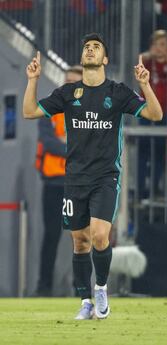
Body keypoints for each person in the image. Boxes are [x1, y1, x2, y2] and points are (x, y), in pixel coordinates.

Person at [23, 33, 163, 319]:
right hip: (75, 179)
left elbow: (155, 114)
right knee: (80, 242)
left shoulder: (118, 91)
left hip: (106, 177)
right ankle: (85, 301)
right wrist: (33, 80)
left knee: (100, 236)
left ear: (105, 59)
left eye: (96, 47)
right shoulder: (67, 93)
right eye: (87, 47)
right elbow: (28, 111)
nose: (90, 50)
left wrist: (145, 85)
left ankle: (100, 288)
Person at [34, 65, 82, 297]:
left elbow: (90, 145)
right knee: (51, 236)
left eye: (73, 81)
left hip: (77, 182)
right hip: (54, 182)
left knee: (80, 236)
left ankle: (80, 288)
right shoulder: (50, 109)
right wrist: (72, 146)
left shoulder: (88, 111)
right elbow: (47, 141)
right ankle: (44, 287)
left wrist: (64, 143)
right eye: (66, 81)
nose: (68, 85)